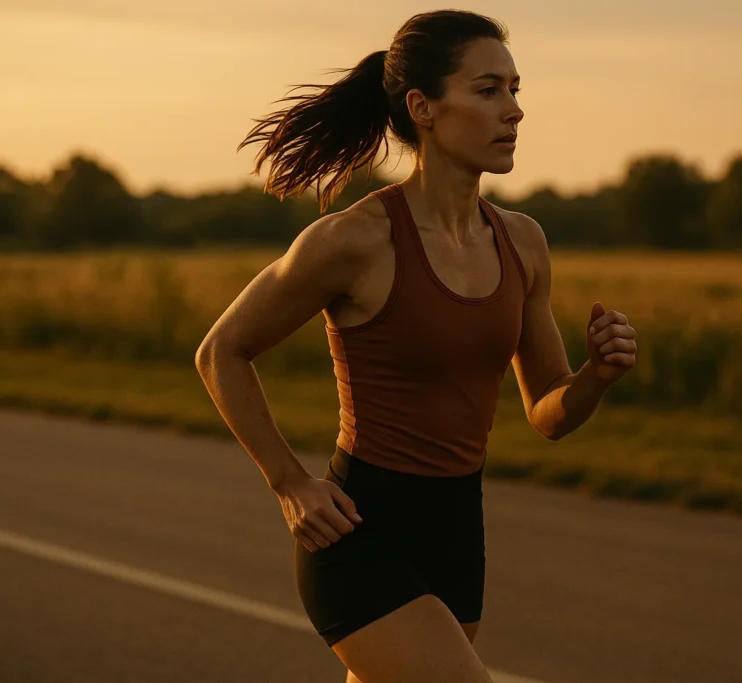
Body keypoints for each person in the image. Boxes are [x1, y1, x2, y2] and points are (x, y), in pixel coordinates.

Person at [195, 9, 637, 683]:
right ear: (422, 107)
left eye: (516, 89)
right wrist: (289, 482)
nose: (514, 110)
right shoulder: (356, 240)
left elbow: (548, 412)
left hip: (457, 531)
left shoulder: (522, 242)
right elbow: (221, 350)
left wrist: (595, 377)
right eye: (489, 90)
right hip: (358, 534)